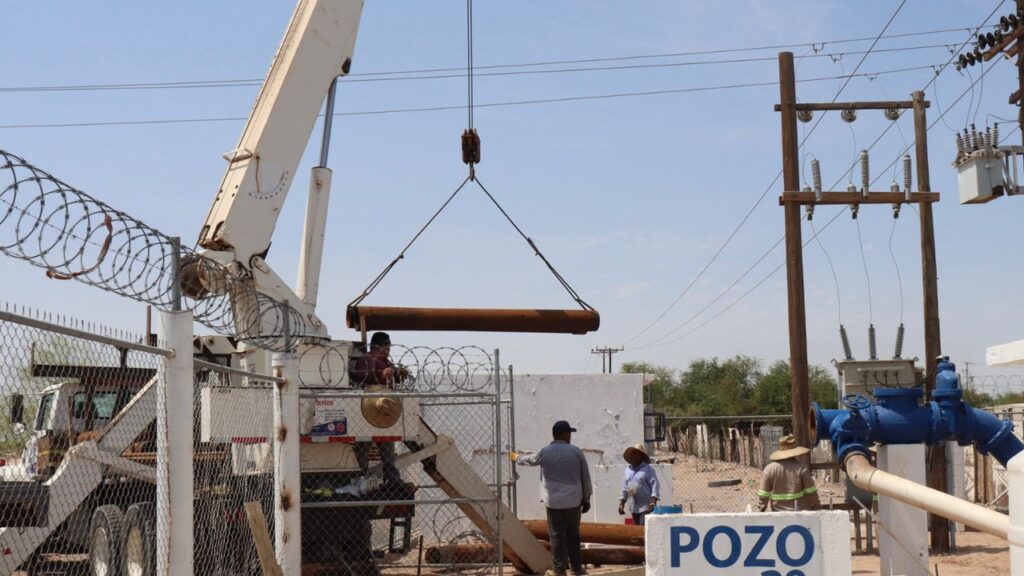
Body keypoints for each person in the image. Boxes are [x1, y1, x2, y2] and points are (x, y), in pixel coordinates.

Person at [511, 420, 592, 576]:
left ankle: (559, 570)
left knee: (556, 536)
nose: (570, 436)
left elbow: (530, 460)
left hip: (553, 502)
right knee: (573, 535)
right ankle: (576, 569)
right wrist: (586, 498)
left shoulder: (545, 451)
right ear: (564, 434)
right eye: (569, 433)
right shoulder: (576, 452)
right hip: (573, 502)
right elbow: (585, 477)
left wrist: (516, 457)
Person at [349, 331, 408, 485]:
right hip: (367, 408)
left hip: (383, 409)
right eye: (385, 347)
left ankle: (393, 480)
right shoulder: (366, 360)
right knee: (364, 445)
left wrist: (399, 374)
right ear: (376, 347)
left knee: (387, 447)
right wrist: (381, 375)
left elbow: (393, 378)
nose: (388, 350)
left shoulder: (386, 362)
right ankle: (361, 477)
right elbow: (361, 378)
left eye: (389, 347)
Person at [757, 435, 820, 512]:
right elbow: (811, 492)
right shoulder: (802, 468)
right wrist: (818, 507)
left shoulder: (769, 469)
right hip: (800, 513)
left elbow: (763, 495)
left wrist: (761, 510)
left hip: (777, 513)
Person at [618, 443, 660, 525]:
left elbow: (655, 484)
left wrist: (653, 502)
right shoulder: (628, 470)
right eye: (633, 453)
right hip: (633, 506)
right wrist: (622, 503)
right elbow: (624, 487)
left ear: (641, 456)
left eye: (637, 453)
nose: (635, 455)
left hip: (646, 505)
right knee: (637, 528)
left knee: (642, 527)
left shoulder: (648, 469)